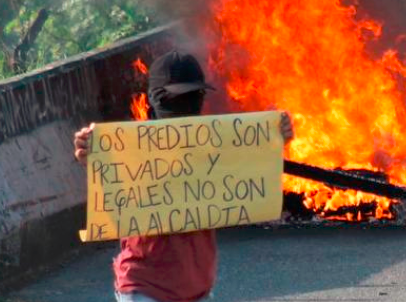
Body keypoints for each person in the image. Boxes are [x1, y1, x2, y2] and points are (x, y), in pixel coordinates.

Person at [73, 50, 294, 302]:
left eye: (194, 96)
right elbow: (100, 168)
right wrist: (90, 150)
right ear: (153, 101)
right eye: (176, 97)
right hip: (146, 290)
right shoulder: (131, 150)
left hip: (197, 291)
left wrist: (275, 136)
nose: (186, 105)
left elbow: (250, 168)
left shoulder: (213, 145)